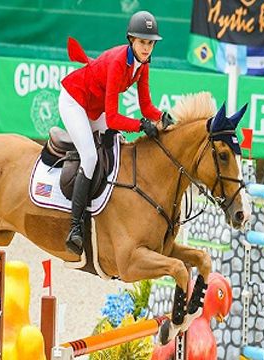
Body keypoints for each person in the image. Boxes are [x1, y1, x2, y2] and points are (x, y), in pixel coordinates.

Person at [59, 10, 175, 255]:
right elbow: (113, 118)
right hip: (75, 101)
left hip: (95, 107)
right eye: (143, 42)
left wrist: (160, 116)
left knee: (115, 145)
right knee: (90, 157)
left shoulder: (142, 65)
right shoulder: (117, 62)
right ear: (131, 40)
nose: (147, 48)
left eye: (151, 43)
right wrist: (142, 125)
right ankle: (75, 228)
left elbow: (146, 106)